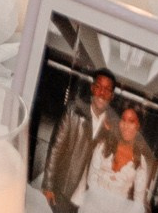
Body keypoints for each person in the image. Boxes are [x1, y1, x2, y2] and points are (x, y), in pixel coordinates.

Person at [45, 70, 116, 213]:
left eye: (107, 90)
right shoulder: (73, 111)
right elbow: (56, 148)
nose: (102, 93)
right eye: (99, 87)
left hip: (90, 199)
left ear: (112, 96)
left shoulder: (112, 126)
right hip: (65, 189)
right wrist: (48, 185)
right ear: (92, 88)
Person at [79, 104, 157, 213]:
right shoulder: (103, 146)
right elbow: (91, 179)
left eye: (131, 121)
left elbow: (138, 202)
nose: (125, 125)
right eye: (123, 120)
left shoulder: (140, 161)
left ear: (138, 126)